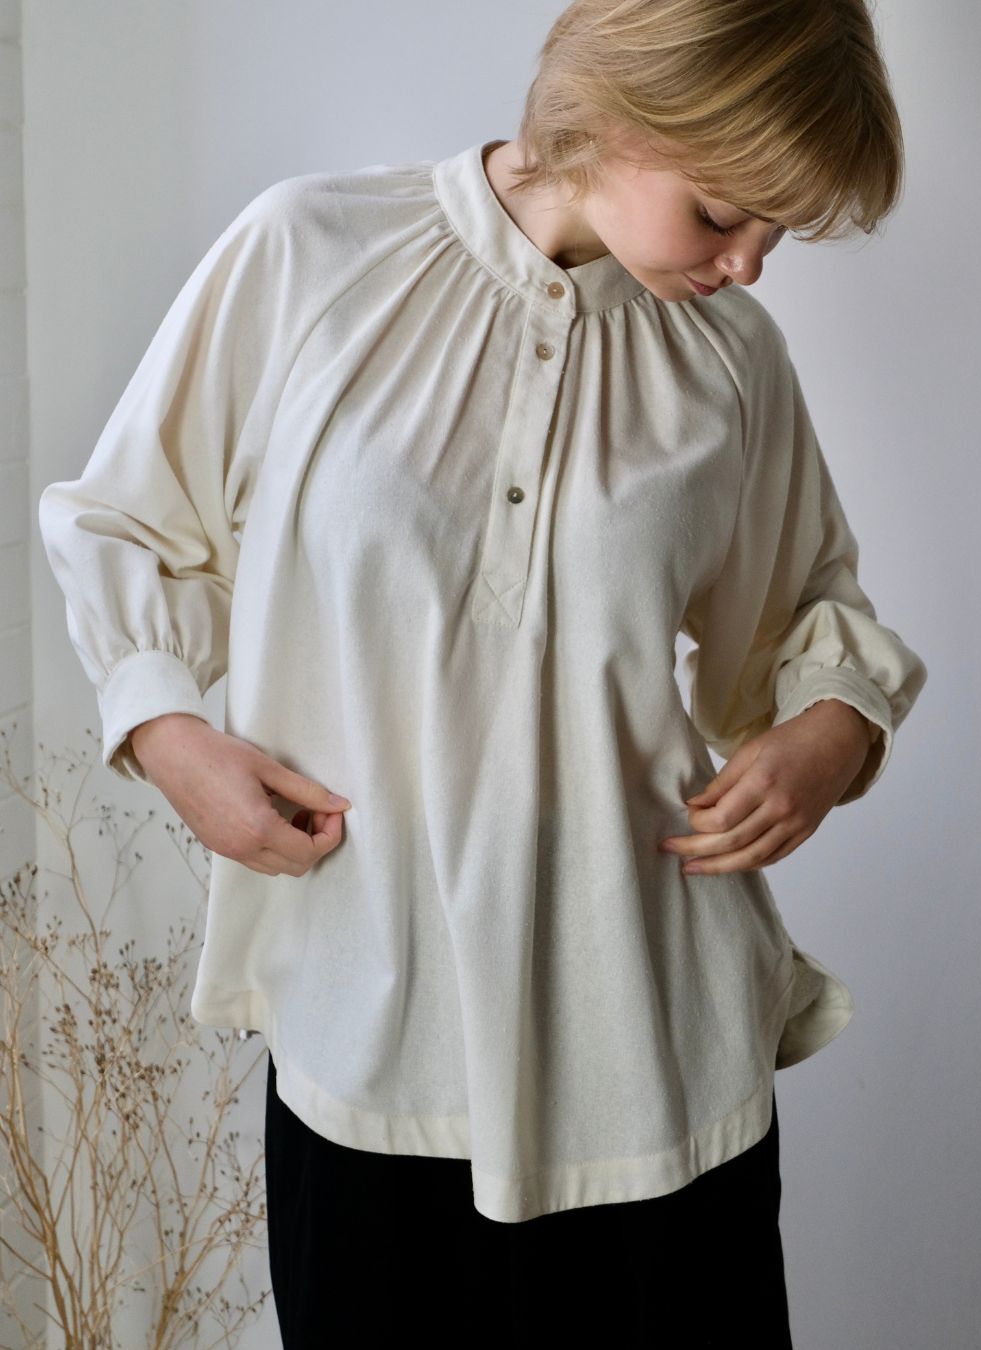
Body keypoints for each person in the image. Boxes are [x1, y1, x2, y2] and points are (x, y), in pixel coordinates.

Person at [38, 0, 929, 1344]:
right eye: (721, 211)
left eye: (780, 231)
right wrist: (172, 736)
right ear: (625, 112)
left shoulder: (731, 362)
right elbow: (126, 520)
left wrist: (822, 743)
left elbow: (809, 617)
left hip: (659, 1061)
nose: (750, 263)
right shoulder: (311, 253)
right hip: (369, 1042)